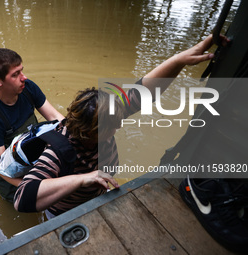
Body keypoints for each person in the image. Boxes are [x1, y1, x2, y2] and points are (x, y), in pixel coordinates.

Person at [13, 35, 217, 218]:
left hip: (98, 198)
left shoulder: (104, 116)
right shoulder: (58, 152)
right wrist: (83, 179)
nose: (120, 126)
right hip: (66, 214)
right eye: (114, 126)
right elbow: (22, 198)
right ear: (92, 133)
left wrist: (180, 60)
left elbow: (145, 91)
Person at [0, 48, 64, 202]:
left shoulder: (28, 87)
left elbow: (55, 117)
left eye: (21, 71)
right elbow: (0, 166)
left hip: (30, 150)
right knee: (23, 205)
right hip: (8, 171)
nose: (24, 77)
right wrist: (34, 186)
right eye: (15, 74)